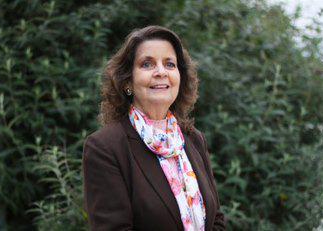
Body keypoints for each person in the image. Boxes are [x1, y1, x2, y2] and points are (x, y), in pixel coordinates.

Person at [82, 25, 226, 231]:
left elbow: (216, 220)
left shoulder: (194, 139)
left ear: (180, 77)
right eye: (147, 64)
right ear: (127, 81)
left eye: (169, 64)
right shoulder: (105, 147)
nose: (161, 72)